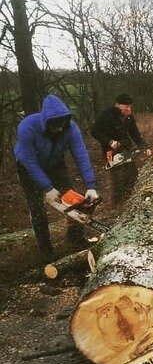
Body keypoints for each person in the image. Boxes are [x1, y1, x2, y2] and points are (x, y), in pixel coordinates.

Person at [14, 94, 99, 259]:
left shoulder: (70, 127)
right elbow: (29, 160)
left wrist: (90, 185)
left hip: (55, 163)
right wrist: (47, 188)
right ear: (47, 123)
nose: (60, 129)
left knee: (73, 198)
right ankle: (45, 250)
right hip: (28, 166)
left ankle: (76, 238)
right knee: (37, 208)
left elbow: (80, 154)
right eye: (56, 126)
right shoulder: (28, 127)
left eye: (62, 125)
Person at [90, 93, 150, 205]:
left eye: (129, 106)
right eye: (125, 106)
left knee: (132, 175)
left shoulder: (129, 116)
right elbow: (94, 131)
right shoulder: (107, 115)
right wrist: (110, 141)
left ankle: (132, 199)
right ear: (117, 105)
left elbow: (135, 134)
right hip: (111, 150)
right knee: (118, 178)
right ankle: (117, 204)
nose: (128, 109)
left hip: (126, 148)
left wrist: (144, 146)